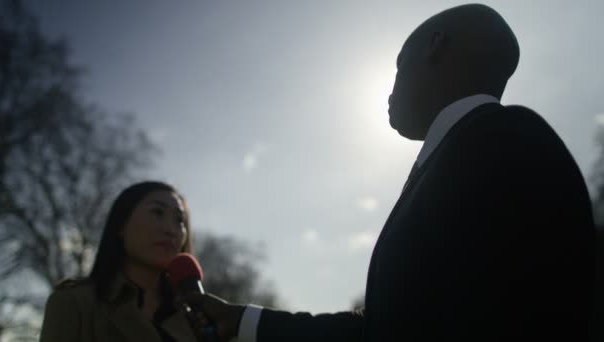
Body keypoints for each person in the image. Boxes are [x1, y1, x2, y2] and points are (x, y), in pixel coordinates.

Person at [183, 3, 596, 342]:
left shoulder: (506, 139)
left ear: (434, 46)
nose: (391, 89)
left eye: (399, 67)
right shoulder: (463, 154)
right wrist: (243, 321)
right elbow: (394, 327)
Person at [39, 181, 202, 342]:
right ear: (121, 225)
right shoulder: (74, 303)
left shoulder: (196, 314)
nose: (171, 230)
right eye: (157, 212)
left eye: (179, 220)